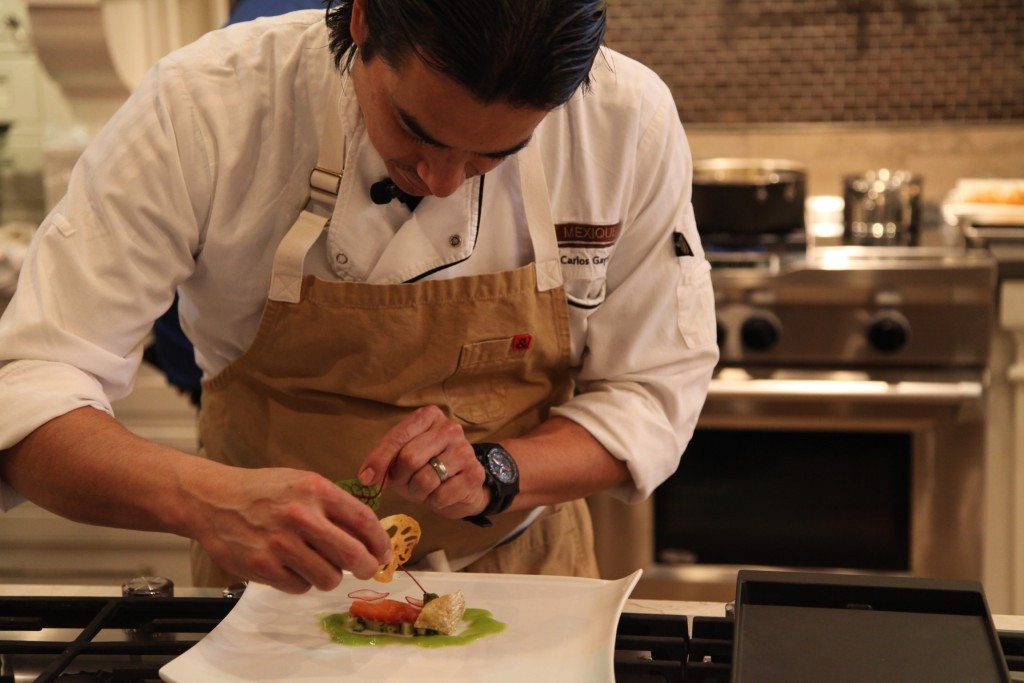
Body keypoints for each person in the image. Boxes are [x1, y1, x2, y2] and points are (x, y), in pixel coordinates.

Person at [0, 0, 718, 594]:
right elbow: (32, 391)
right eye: (414, 128)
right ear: (365, 21)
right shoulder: (206, 105)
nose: (441, 181)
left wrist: (499, 470)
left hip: (528, 578)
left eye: (498, 153)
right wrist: (205, 498)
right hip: (271, 586)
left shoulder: (627, 121)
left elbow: (650, 394)